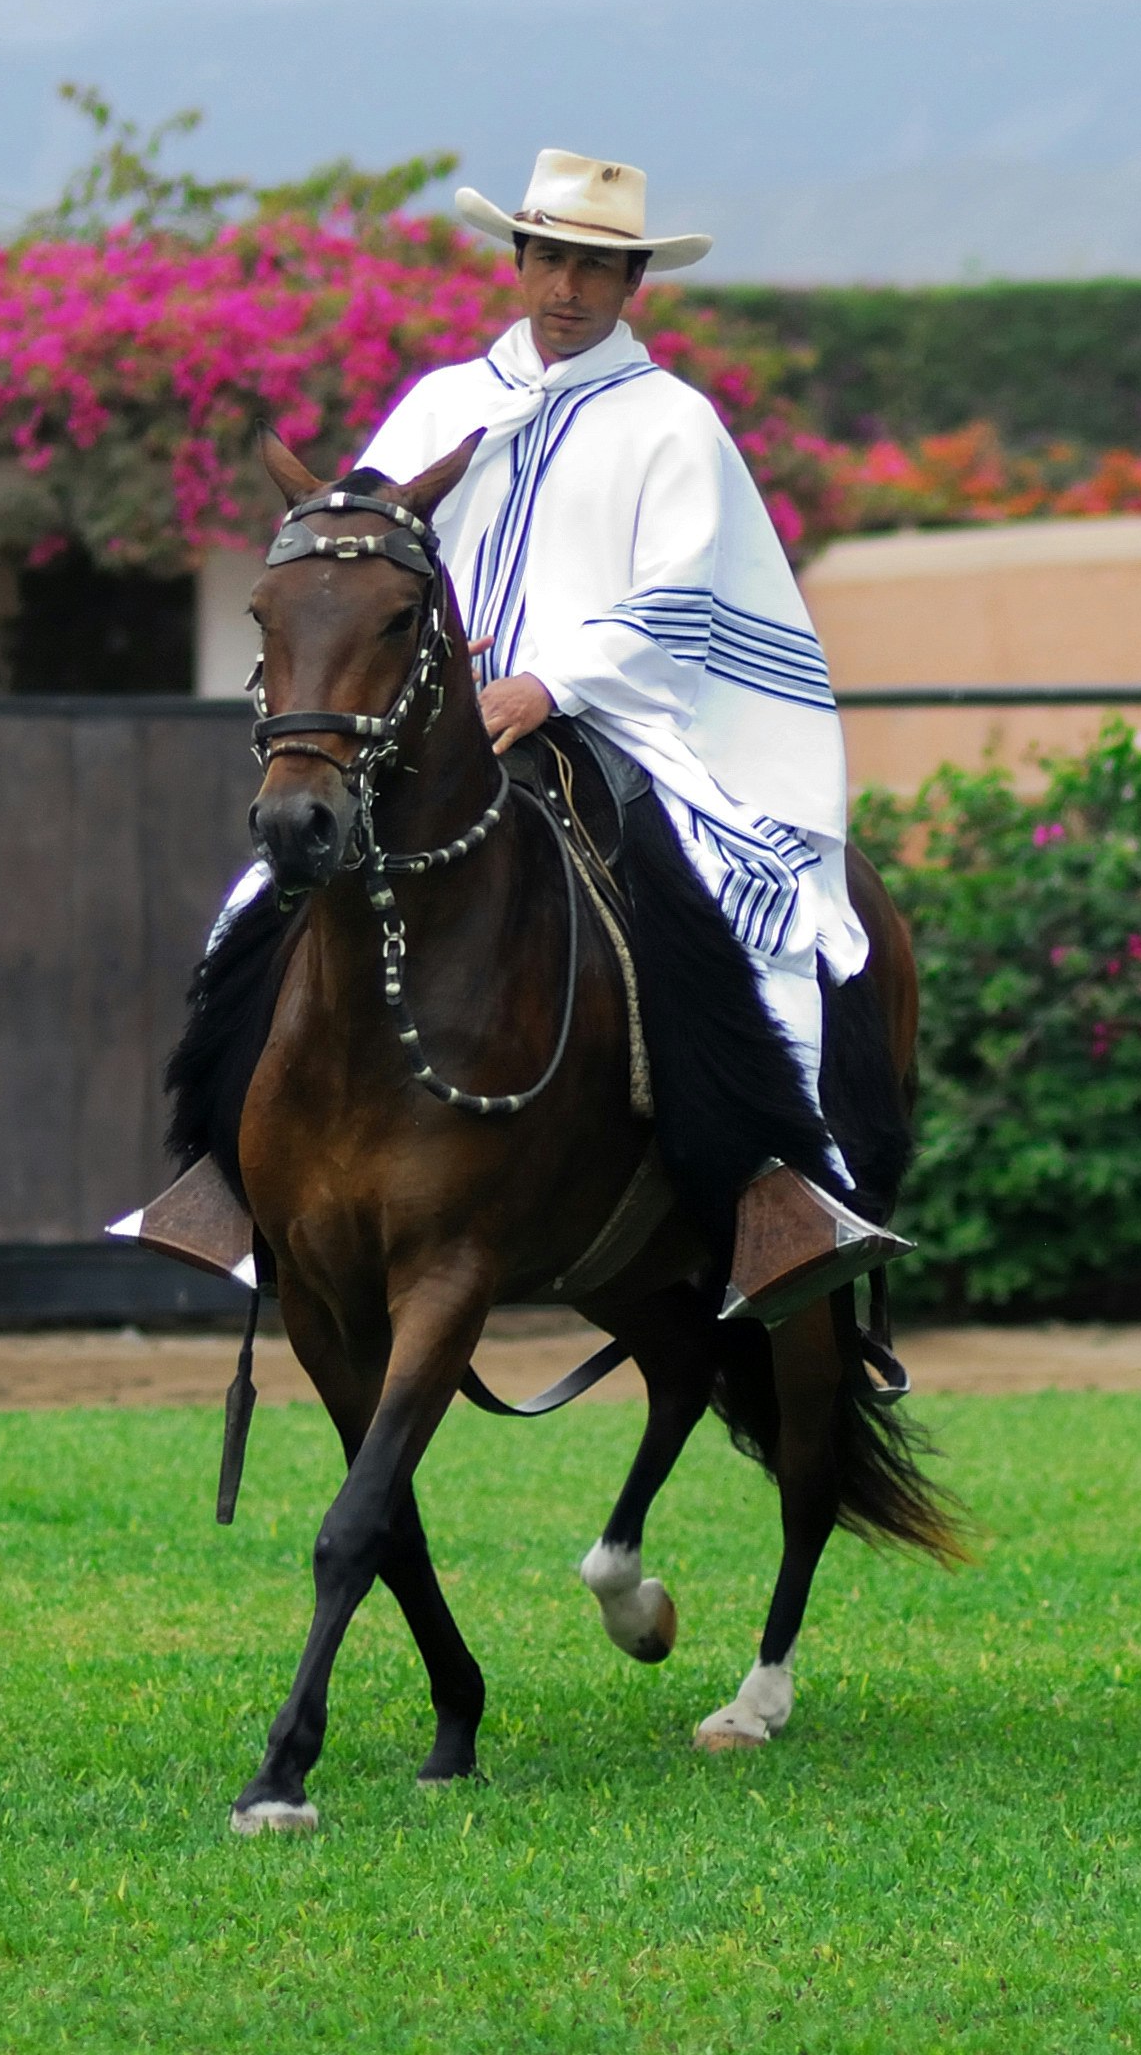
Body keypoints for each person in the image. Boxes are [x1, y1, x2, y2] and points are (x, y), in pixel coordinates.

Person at [352, 148, 901, 1322]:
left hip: (604, 733)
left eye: (599, 268)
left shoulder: (673, 423)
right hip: (428, 739)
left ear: (632, 284)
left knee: (719, 919)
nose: (569, 288)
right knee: (265, 902)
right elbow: (358, 546)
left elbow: (677, 600)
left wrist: (546, 685)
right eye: (552, 257)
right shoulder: (441, 403)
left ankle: (779, 1196)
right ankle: (223, 1169)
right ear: (518, 260)